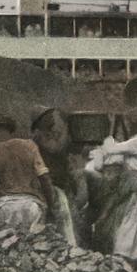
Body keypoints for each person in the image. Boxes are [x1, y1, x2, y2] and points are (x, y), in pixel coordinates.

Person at [85, 106, 137, 264]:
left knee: (126, 236)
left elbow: (110, 148)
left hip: (136, 190)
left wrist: (111, 128)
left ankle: (124, 270)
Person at [0, 114, 55, 232]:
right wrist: (51, 207)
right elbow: (44, 178)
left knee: (10, 245)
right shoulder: (28, 145)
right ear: (9, 130)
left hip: (6, 207)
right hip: (32, 206)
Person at [30, 105, 86, 246]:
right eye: (48, 118)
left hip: (63, 181)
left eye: (52, 118)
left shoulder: (52, 134)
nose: (52, 121)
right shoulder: (39, 137)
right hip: (50, 183)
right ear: (40, 122)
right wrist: (65, 133)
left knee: (73, 217)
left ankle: (75, 246)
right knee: (61, 216)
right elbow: (54, 148)